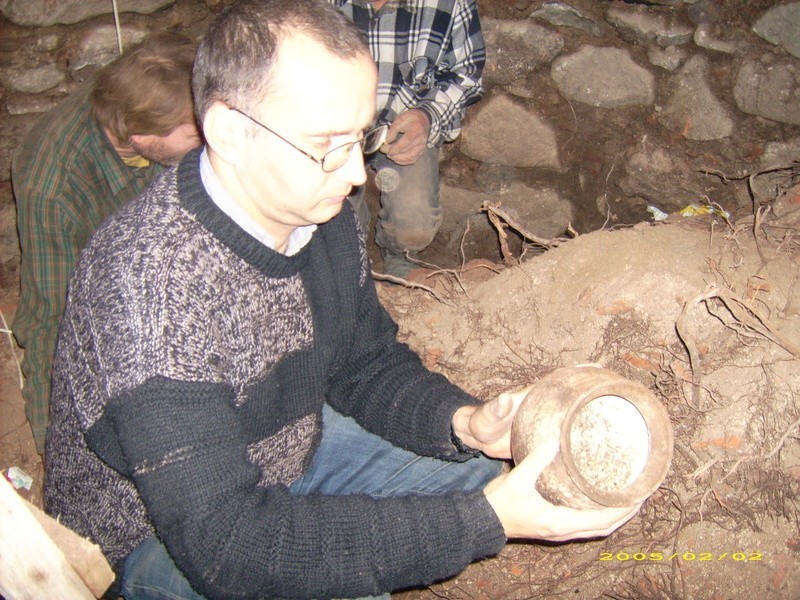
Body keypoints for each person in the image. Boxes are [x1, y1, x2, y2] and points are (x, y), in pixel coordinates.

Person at [44, 1, 640, 598]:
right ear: (229, 130)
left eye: (361, 135)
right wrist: (484, 522)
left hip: (287, 449)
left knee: (479, 469)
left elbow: (365, 362)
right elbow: (228, 548)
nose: (356, 171)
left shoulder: (318, 210)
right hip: (159, 539)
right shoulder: (149, 287)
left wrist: (461, 423)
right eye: (327, 143)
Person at [12, 31, 201, 455]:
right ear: (140, 135)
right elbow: (48, 320)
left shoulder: (155, 116)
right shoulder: (55, 186)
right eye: (194, 136)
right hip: (106, 288)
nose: (209, 142)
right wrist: (58, 447)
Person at [328, 0, 485, 277]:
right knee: (330, 224)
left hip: (402, 125)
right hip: (330, 128)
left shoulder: (449, 4)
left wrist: (426, 117)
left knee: (414, 224)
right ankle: (348, 249)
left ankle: (398, 255)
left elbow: (467, 73)